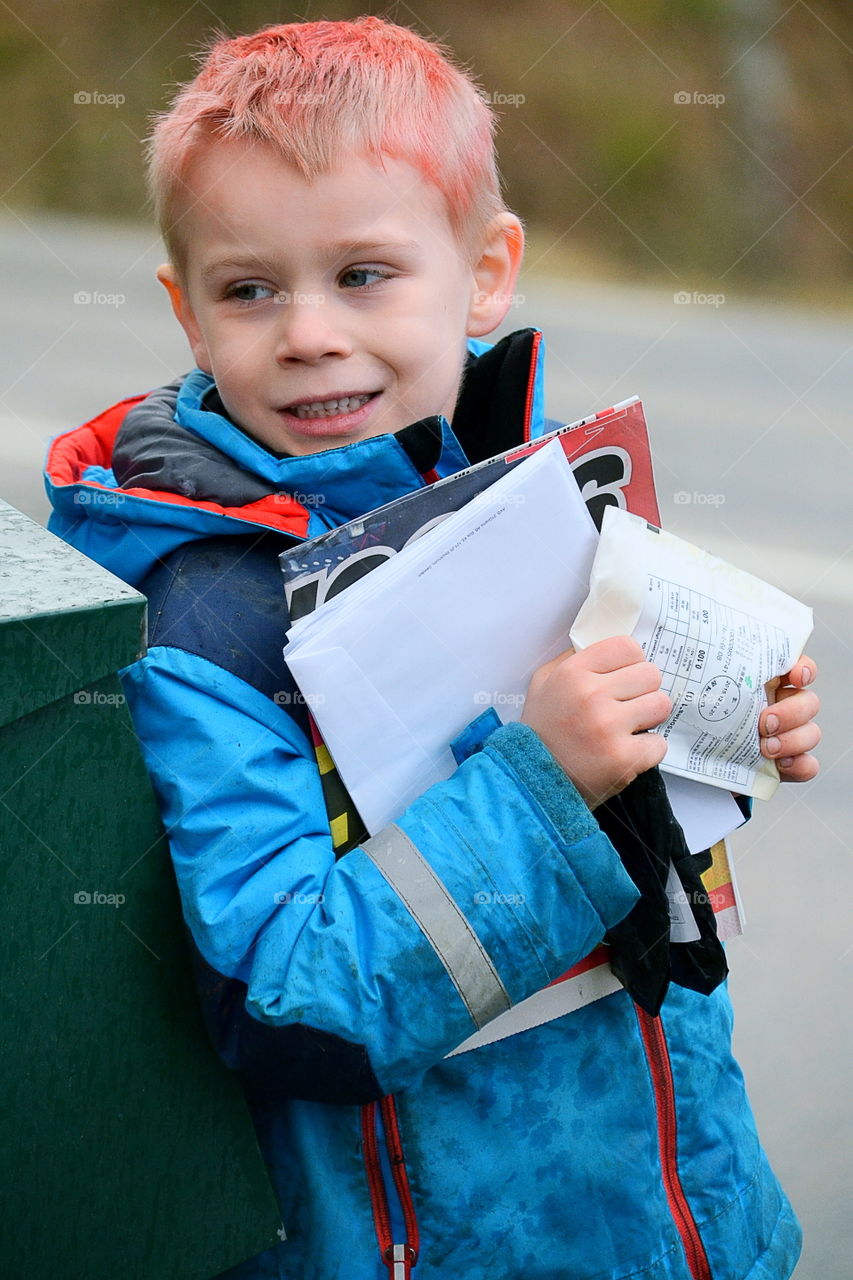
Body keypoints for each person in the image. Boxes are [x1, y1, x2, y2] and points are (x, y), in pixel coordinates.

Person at [44, 18, 821, 1279]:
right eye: (251, 289)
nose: (307, 332)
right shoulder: (205, 622)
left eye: (362, 274)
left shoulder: (556, 478)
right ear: (188, 312)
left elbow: (656, 809)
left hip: (679, 1212)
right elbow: (292, 998)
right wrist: (541, 781)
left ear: (488, 267)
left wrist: (742, 717)